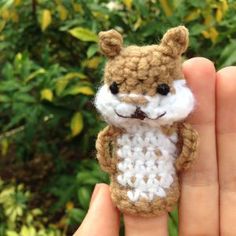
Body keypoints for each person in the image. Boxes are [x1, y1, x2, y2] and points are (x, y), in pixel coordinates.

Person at [74, 57, 236, 236]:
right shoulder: (121, 128)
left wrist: (181, 162)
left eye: (162, 90)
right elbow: (105, 145)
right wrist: (109, 164)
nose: (140, 104)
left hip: (162, 185)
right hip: (129, 185)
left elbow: (188, 145)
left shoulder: (169, 127)